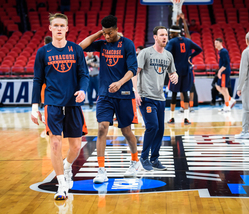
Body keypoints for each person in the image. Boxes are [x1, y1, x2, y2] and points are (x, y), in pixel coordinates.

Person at [31, 13, 89, 200]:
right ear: (50, 28)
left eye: (61, 25)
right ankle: (61, 184)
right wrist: (34, 106)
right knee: (55, 143)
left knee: (76, 147)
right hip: (52, 103)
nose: (58, 28)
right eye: (55, 25)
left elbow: (84, 75)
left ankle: (67, 166)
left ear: (67, 28)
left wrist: (83, 90)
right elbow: (37, 80)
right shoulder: (43, 52)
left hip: (73, 103)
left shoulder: (76, 50)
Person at [79, 15, 140, 183]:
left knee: (126, 131)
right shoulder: (103, 43)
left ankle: (135, 161)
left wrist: (119, 83)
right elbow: (80, 46)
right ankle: (101, 170)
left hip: (124, 94)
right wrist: (99, 33)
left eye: (109, 33)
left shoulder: (127, 44)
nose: (107, 37)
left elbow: (133, 69)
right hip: (105, 95)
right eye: (104, 33)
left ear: (117, 29)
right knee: (101, 128)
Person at [133, 26, 178, 171]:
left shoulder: (168, 55)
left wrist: (174, 76)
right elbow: (134, 73)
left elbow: (172, 72)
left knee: (160, 130)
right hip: (146, 97)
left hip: (160, 98)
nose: (165, 37)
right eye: (162, 35)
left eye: (166, 35)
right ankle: (144, 157)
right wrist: (136, 92)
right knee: (152, 126)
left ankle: (155, 159)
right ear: (155, 37)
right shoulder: (145, 53)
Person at [165, 24, 202, 125]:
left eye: (170, 33)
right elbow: (199, 49)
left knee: (173, 94)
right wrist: (190, 56)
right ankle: (186, 118)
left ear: (173, 33)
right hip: (186, 71)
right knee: (185, 93)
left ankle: (172, 118)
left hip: (175, 71)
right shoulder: (188, 41)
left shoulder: (172, 41)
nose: (169, 35)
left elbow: (166, 52)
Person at [214, 38, 236, 112]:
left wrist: (220, 71)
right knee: (218, 86)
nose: (215, 45)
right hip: (222, 71)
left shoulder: (224, 51)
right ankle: (230, 99)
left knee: (224, 88)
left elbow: (226, 63)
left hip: (224, 71)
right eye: (215, 43)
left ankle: (227, 106)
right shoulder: (220, 52)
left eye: (216, 43)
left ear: (221, 43)